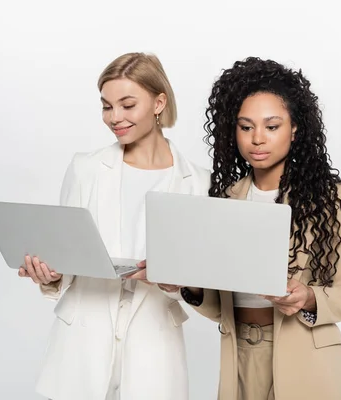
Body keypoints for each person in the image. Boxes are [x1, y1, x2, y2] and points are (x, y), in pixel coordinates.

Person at [18, 52, 209, 400]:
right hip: (79, 349)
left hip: (155, 350)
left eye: (127, 105)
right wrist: (51, 275)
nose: (114, 118)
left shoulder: (199, 184)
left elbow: (204, 283)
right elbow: (66, 254)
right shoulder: (85, 169)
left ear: (158, 102)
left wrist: (177, 282)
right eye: (107, 106)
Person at [176, 57, 341, 400]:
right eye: (246, 127)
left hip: (308, 361)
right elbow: (221, 306)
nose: (257, 139)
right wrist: (188, 284)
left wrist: (307, 296)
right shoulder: (224, 199)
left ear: (295, 129)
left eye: (272, 126)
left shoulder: (329, 197)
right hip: (239, 359)